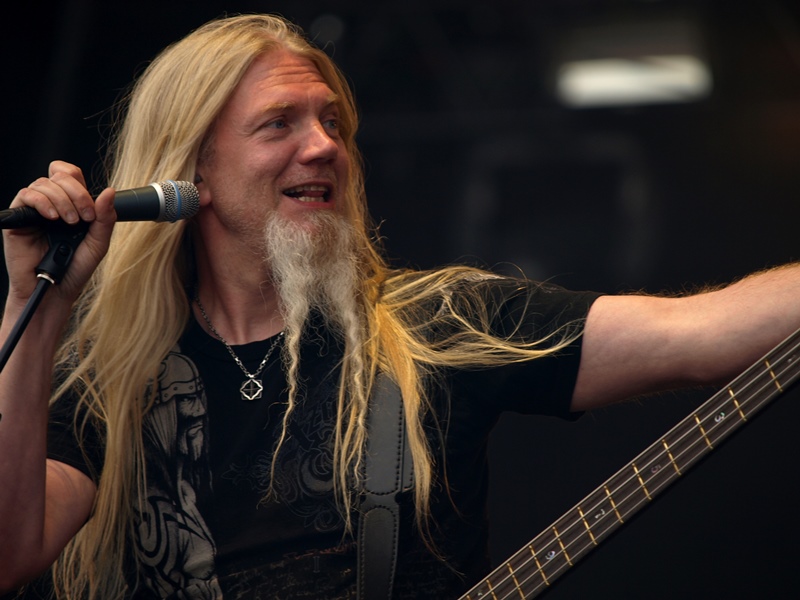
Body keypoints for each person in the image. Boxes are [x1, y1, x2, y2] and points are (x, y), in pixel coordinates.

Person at [1, 13, 799, 600]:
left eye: (332, 122)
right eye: (279, 124)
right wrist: (32, 311)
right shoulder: (107, 388)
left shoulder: (440, 324)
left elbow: (704, 335)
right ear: (190, 172)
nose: (324, 146)